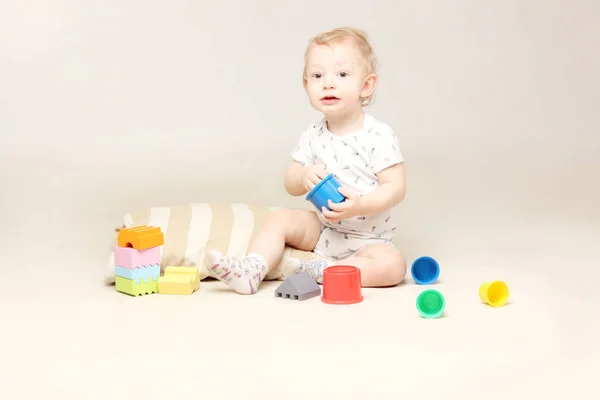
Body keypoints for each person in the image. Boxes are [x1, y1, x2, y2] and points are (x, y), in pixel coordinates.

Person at [206, 26, 407, 294]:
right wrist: (302, 176)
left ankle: (327, 271)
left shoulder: (378, 135)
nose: (328, 83)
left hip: (369, 239)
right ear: (306, 85)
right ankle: (251, 268)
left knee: (393, 266)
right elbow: (290, 183)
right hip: (324, 229)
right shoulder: (313, 135)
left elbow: (395, 188)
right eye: (317, 75)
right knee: (281, 218)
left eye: (342, 74)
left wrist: (360, 205)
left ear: (366, 85)